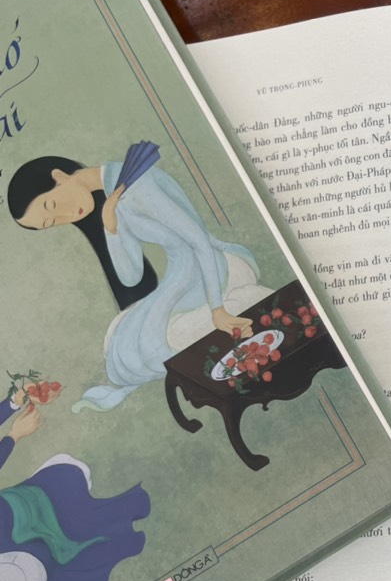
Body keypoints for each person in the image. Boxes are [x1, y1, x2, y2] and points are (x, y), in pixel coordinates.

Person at [8, 151, 268, 411]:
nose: (66, 216)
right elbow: (131, 277)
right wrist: (112, 229)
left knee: (153, 343)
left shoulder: (135, 182)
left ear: (60, 176)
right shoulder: (111, 199)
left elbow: (198, 241)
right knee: (121, 342)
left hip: (215, 265)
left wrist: (217, 309)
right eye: (53, 222)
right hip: (183, 274)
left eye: (52, 206)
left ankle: (246, 302)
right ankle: (234, 309)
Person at [0, 379, 149, 581]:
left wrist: (14, 401)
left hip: (15, 510)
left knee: (65, 482)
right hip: (12, 529)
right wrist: (14, 435)